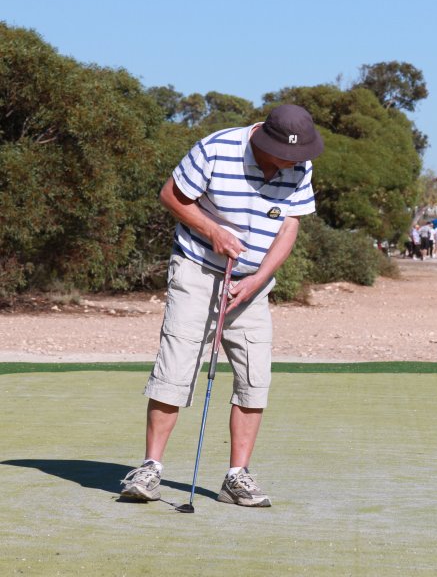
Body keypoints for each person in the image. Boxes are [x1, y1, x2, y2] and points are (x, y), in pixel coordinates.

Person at [119, 104, 324, 508]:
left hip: (251, 283)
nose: (291, 164)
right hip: (197, 268)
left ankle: (236, 477)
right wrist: (213, 230)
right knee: (177, 365)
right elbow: (171, 196)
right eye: (284, 156)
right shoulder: (217, 148)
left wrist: (257, 280)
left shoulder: (299, 165)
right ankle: (149, 469)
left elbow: (289, 226)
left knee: (254, 374)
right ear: (264, 140)